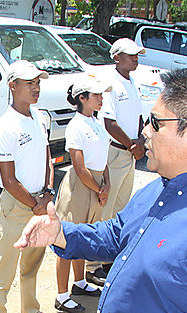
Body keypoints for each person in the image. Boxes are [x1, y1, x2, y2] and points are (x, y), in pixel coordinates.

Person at [14, 68, 187, 313]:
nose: (144, 132)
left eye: (154, 122)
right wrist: (61, 233)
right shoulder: (158, 189)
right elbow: (115, 234)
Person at [0, 61, 63, 313]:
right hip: (17, 206)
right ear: (12, 86)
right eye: (29, 82)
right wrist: (35, 205)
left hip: (38, 202)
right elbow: (8, 179)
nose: (36, 87)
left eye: (38, 82)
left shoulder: (38, 117)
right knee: (4, 273)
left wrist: (47, 192)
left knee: (31, 263)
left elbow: (46, 155)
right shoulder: (5, 126)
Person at [84, 38, 147, 287]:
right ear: (116, 57)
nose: (135, 58)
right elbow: (109, 123)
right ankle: (92, 265)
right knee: (105, 209)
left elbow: (138, 117)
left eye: (137, 55)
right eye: (131, 55)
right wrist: (132, 144)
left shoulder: (131, 83)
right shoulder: (111, 84)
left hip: (129, 153)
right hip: (116, 152)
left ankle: (109, 258)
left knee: (121, 209)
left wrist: (139, 140)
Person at [52, 77, 110, 313]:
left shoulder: (97, 122)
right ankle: (61, 296)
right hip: (80, 186)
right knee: (67, 240)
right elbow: (79, 166)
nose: (100, 98)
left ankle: (79, 283)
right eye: (95, 95)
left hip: (96, 184)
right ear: (82, 98)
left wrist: (106, 183)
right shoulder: (76, 125)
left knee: (83, 236)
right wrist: (99, 188)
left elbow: (102, 158)